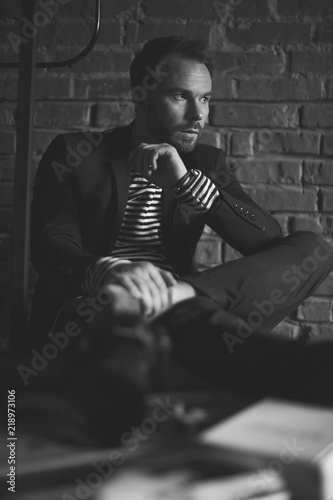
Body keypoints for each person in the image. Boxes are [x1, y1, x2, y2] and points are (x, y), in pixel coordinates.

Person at [28, 37, 333, 436]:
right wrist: (110, 271)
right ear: (141, 96)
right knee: (178, 328)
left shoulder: (206, 162)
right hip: (99, 308)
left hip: (185, 302)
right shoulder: (75, 154)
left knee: (314, 248)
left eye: (205, 99)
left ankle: (169, 314)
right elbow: (51, 248)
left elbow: (267, 240)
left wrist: (186, 182)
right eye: (180, 96)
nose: (198, 115)